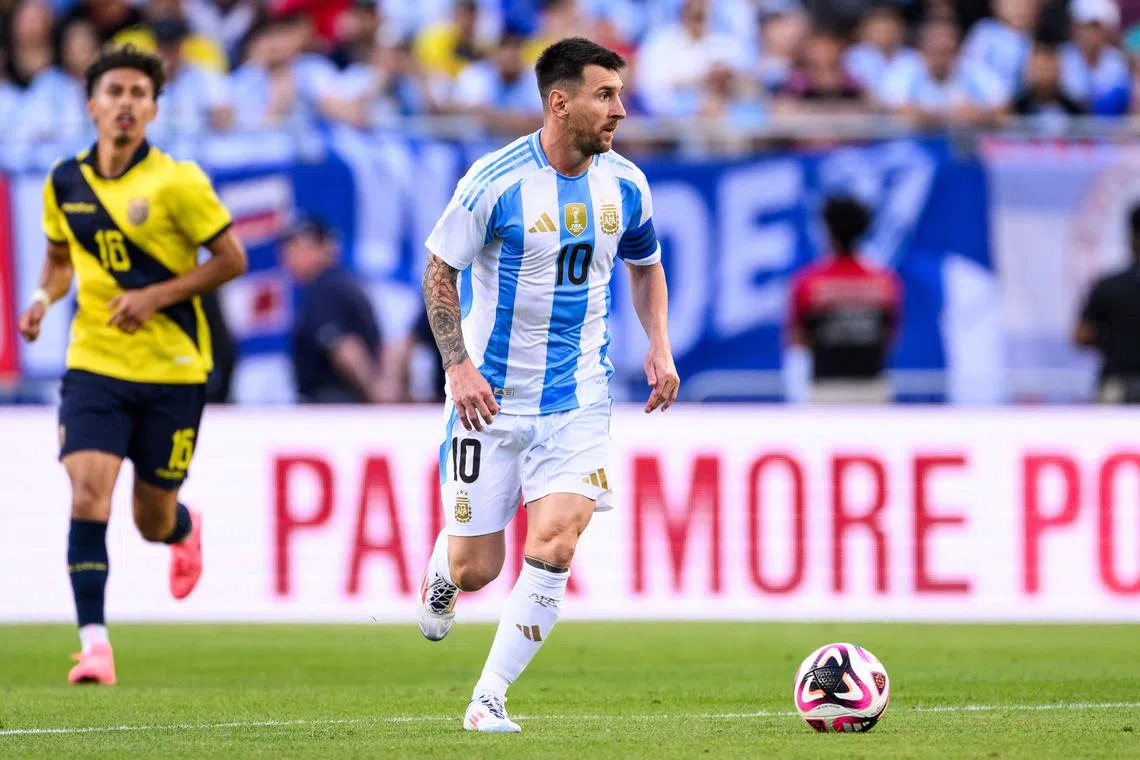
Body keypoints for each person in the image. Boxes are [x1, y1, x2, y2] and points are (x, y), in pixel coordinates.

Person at [415, 36, 678, 733]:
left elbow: (645, 265)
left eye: (620, 94)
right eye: (605, 95)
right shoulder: (493, 181)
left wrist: (658, 344)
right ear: (560, 103)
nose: (620, 109)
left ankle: (489, 697)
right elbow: (439, 271)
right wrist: (458, 364)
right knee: (479, 568)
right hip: (490, 400)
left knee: (558, 539)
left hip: (578, 397)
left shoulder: (626, 183)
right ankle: (445, 568)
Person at [17, 45, 247, 685]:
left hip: (173, 369)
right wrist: (41, 298)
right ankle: (95, 646)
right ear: (93, 105)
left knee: (150, 519)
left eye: (138, 94)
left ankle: (182, 527)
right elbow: (60, 258)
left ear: (152, 109)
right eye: (114, 91)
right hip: (94, 362)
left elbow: (232, 259)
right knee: (89, 494)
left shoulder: (179, 182)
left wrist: (154, 296)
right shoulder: (65, 181)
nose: (125, 103)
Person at [788, 196, 900, 404]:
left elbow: (797, 340)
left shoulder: (809, 283)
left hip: (826, 391)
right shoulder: (884, 282)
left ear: (828, 232)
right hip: (872, 389)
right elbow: (888, 337)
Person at [281, 214, 386, 404]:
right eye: (289, 249)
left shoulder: (324, 289)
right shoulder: (339, 283)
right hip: (345, 402)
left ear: (327, 248)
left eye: (301, 248)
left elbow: (347, 349)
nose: (291, 257)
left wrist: (376, 395)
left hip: (335, 404)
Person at [1074, 205, 1140, 403]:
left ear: (1131, 238)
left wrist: (1113, 338)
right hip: (1116, 384)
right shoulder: (1107, 285)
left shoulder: (1109, 285)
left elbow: (1081, 335)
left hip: (1116, 382)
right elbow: (1080, 335)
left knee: (1115, 434)